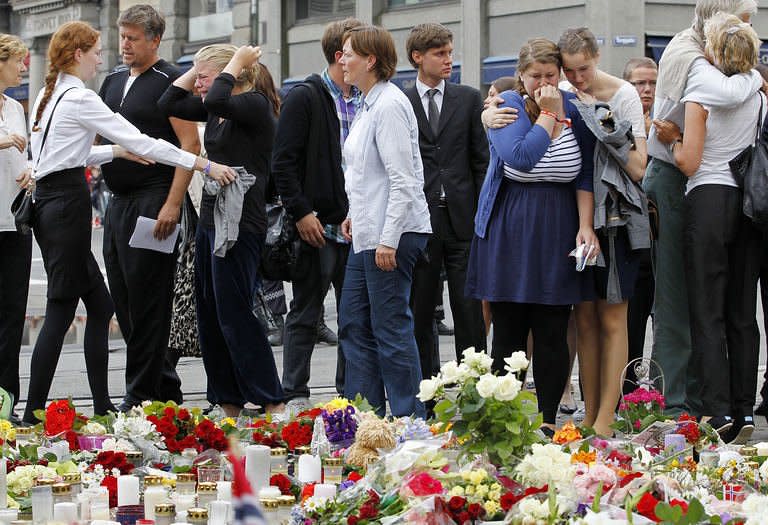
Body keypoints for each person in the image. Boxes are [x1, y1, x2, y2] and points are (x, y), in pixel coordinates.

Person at [22, 21, 235, 424]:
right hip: (67, 208)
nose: (103, 57)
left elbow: (66, 157)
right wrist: (203, 163)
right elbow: (144, 141)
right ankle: (33, 411)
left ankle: (103, 405)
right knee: (61, 307)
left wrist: (115, 153)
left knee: (101, 307)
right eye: (96, 51)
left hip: (53, 204)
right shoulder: (80, 97)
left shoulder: (48, 96)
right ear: (77, 55)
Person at [466, 38, 598, 436]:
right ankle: (504, 418)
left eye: (551, 75)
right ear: (521, 76)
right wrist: (547, 115)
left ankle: (547, 421)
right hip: (512, 226)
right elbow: (523, 156)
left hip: (558, 224)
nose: (544, 82)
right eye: (535, 75)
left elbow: (585, 172)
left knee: (553, 326)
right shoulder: (505, 105)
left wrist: (586, 224)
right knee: (509, 326)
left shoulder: (574, 108)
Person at [644, 0, 762, 418]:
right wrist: (756, 78)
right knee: (739, 310)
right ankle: (736, 406)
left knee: (705, 308)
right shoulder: (742, 83)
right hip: (744, 201)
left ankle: (715, 409)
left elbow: (689, 160)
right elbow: (737, 90)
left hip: (707, 196)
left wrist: (675, 140)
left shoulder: (708, 84)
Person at [158, 44, 285, 417]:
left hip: (241, 221)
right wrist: (198, 68)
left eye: (204, 76)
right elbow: (168, 102)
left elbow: (216, 98)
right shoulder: (217, 106)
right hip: (212, 217)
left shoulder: (253, 103)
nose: (198, 84)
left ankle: (270, 397)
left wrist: (233, 64)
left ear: (235, 73)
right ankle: (226, 398)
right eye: (196, 76)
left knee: (235, 311)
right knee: (210, 311)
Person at [98, 4, 201, 410]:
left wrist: (173, 204)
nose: (125, 44)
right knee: (122, 299)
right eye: (122, 36)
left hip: (154, 197)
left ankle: (138, 394)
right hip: (118, 201)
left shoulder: (171, 80)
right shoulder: (112, 80)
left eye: (133, 38)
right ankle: (164, 385)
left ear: (154, 40)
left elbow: (189, 146)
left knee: (149, 300)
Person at [557, 27, 649, 436]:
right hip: (577, 221)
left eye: (584, 69)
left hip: (616, 221)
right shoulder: (560, 91)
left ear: (597, 58)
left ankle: (607, 417)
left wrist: (599, 114)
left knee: (614, 318)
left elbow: (639, 166)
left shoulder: (624, 94)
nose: (577, 79)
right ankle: (591, 411)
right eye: (570, 71)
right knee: (586, 318)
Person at [338, 25, 431, 418]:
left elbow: (403, 178)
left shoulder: (390, 104)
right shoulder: (368, 103)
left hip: (392, 234)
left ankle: (411, 421)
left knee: (390, 327)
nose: (342, 60)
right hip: (369, 231)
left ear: (370, 60)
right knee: (353, 323)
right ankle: (367, 420)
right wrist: (352, 215)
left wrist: (389, 239)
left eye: (348, 53)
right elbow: (365, 174)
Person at [272, 17, 364, 414]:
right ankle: (294, 393)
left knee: (354, 315)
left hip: (358, 226)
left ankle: (348, 394)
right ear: (340, 54)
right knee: (306, 312)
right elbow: (283, 162)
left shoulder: (366, 97)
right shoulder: (306, 96)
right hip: (316, 227)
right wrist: (301, 212)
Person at [404, 23, 488, 382]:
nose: (448, 60)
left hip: (462, 219)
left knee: (469, 310)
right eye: (440, 54)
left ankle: (475, 387)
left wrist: (483, 214)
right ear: (417, 57)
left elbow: (480, 160)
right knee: (420, 308)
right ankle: (427, 387)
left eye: (450, 52)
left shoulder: (468, 98)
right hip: (420, 219)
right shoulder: (402, 101)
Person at [623, 57, 657, 394]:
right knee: (631, 327)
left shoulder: (667, 121)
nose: (646, 90)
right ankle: (628, 394)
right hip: (632, 240)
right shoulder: (621, 121)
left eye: (651, 83)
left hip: (663, 238)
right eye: (639, 83)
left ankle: (662, 394)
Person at [0, 33, 29, 422]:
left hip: (15, 220)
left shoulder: (15, 107)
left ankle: (7, 401)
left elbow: (24, 156)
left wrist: (30, 174)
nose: (24, 67)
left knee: (12, 315)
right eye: (18, 61)